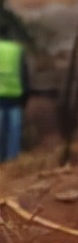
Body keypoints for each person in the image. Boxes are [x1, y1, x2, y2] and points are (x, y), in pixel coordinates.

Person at [0, 19, 31, 164]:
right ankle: (12, 161)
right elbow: (24, 74)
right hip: (15, 95)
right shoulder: (17, 50)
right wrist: (26, 95)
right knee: (14, 130)